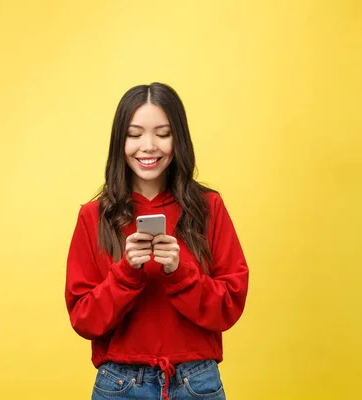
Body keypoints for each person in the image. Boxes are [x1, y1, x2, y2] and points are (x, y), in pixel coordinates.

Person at [65, 82, 249, 400]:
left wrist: (179, 271)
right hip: (119, 384)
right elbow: (84, 320)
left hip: (197, 381)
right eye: (134, 134)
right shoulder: (93, 216)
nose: (148, 146)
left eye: (162, 134)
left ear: (178, 139)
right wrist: (126, 272)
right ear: (119, 141)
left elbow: (229, 306)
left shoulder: (209, 207)